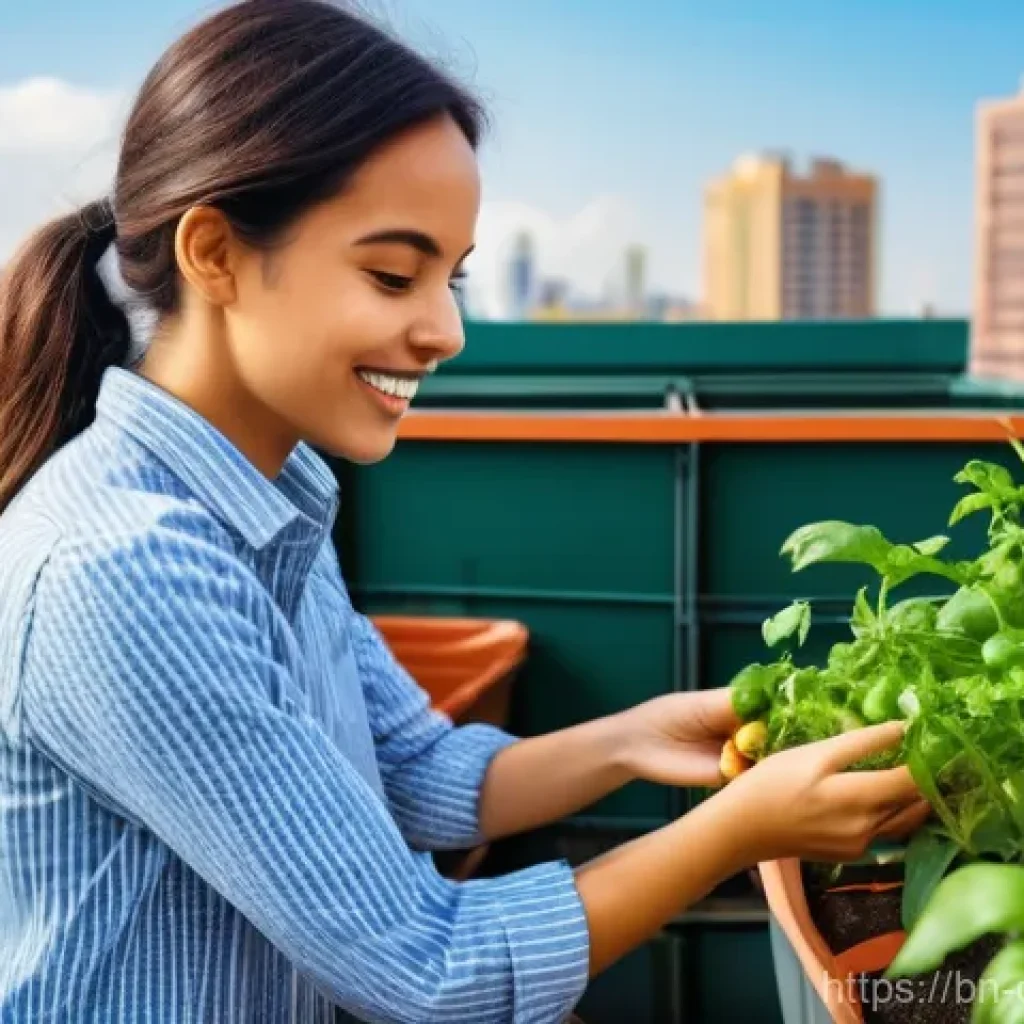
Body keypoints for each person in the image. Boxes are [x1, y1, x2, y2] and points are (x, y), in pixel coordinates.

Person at [0, 2, 930, 1022]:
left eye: (453, 276)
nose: (444, 330)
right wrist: (736, 830)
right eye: (393, 274)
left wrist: (630, 738)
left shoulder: (267, 499)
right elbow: (429, 968)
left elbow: (407, 772)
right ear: (215, 254)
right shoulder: (124, 571)